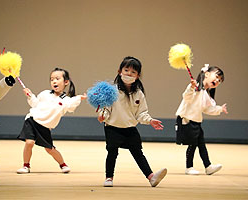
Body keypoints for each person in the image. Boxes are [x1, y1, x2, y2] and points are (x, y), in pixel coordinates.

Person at [98, 56, 167, 187]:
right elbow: (106, 109)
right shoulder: (111, 91)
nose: (129, 73)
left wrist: (150, 120)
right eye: (126, 70)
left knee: (138, 153)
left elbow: (141, 113)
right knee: (112, 152)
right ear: (120, 71)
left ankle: (151, 177)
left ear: (138, 75)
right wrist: (103, 115)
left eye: (133, 72)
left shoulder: (139, 94)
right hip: (112, 127)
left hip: (130, 128)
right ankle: (109, 178)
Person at [17, 68, 86, 174]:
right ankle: (26, 166)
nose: (54, 81)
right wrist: (30, 96)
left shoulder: (66, 100)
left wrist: (80, 98)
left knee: (49, 149)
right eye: (52, 79)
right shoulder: (45, 94)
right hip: (32, 120)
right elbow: (35, 104)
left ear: (66, 82)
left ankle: (63, 164)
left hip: (45, 127)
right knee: (29, 142)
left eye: (57, 79)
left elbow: (72, 104)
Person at [175, 64, 228, 175]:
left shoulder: (205, 93)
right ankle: (189, 167)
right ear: (207, 74)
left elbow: (207, 109)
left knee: (201, 144)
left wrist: (219, 109)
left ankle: (208, 166)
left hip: (196, 121)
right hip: (187, 120)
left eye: (220, 81)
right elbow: (186, 97)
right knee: (193, 145)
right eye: (216, 77)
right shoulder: (195, 87)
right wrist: (191, 87)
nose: (217, 81)